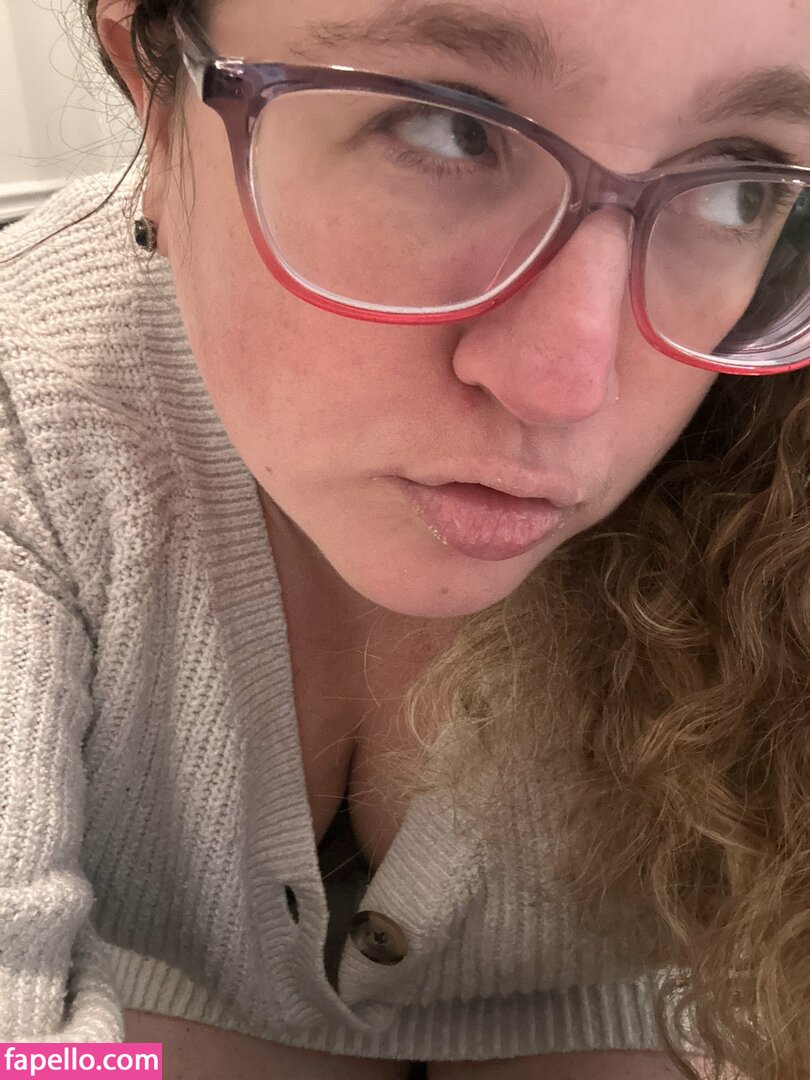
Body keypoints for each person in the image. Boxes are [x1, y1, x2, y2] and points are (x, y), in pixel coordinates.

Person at [0, 0, 808, 1077]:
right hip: (143, 1024)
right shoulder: (32, 402)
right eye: (449, 125)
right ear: (157, 103)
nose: (566, 386)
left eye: (739, 185)